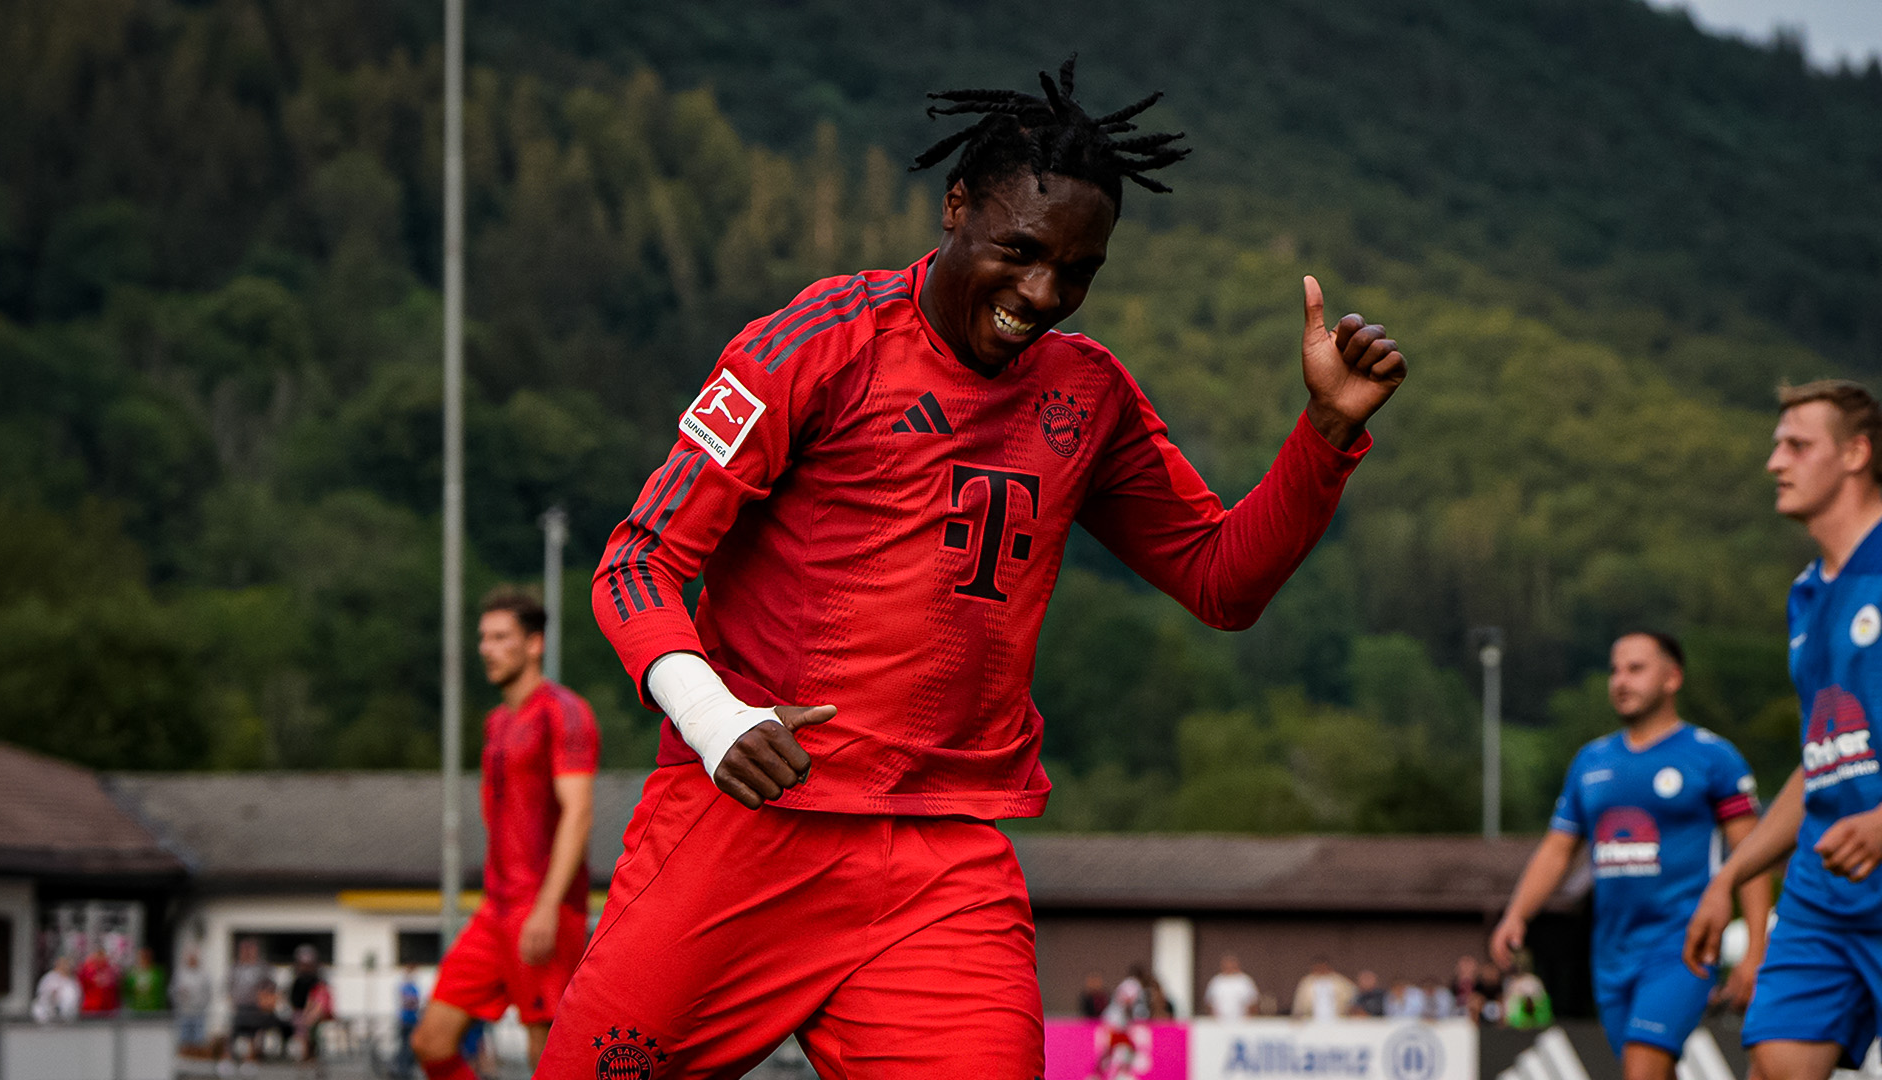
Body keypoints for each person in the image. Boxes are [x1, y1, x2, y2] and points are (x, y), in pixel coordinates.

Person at [538, 55, 1406, 1080]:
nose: (1043, 293)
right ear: (956, 207)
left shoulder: (1089, 396)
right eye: (1022, 251)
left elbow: (1221, 582)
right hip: (749, 825)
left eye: (1078, 273)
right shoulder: (821, 342)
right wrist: (716, 718)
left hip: (941, 868)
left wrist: (1322, 438)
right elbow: (636, 563)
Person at [1686, 381, 1882, 1080]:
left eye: (1797, 444)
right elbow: (1821, 764)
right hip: (1824, 894)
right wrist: (1731, 876)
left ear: (1857, 453)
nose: (1775, 461)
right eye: (1776, 444)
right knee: (1774, 1064)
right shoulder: (1808, 594)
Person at [1490, 631, 1772, 1078]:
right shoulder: (1591, 761)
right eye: (1615, 670)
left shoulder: (1712, 757)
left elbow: (1753, 855)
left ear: (1672, 678)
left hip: (1682, 946)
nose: (1621, 680)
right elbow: (1557, 849)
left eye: (1636, 668)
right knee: (1646, 1070)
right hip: (1611, 953)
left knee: (1643, 1065)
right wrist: (1517, 914)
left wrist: (1756, 949)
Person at [410, 587, 598, 1079]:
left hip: (546, 907)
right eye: (483, 638)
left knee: (546, 1052)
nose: (485, 649)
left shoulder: (564, 711)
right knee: (431, 1042)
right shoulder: (496, 722)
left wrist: (545, 906)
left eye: (500, 638)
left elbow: (577, 813)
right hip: (496, 909)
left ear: (534, 644)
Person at [286, 945, 332, 1073]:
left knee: (310, 1030)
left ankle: (310, 1058)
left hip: (315, 1016)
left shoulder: (318, 982)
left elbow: (319, 1002)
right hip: (300, 1014)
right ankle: (304, 1059)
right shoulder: (297, 980)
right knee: (300, 1030)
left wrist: (310, 1013)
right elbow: (294, 1001)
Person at [1292, 958, 1356, 1021]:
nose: (1321, 970)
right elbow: (1299, 1002)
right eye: (1318, 968)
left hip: (1337, 1020)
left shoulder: (1339, 981)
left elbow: (1352, 996)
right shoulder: (1307, 982)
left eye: (1323, 967)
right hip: (1311, 1021)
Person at [172, 949, 210, 1051]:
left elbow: (208, 993)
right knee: (184, 1040)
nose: (192, 960)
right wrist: (181, 997)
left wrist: (201, 1004)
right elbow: (174, 991)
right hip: (184, 1012)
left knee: (198, 1040)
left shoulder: (203, 974)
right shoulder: (180, 974)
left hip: (199, 1012)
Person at [1205, 954, 1260, 1021]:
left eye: (1231, 964)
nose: (1229, 967)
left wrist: (1249, 1019)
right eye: (1227, 965)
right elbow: (1209, 1003)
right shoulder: (1216, 981)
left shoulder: (1245, 981)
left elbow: (1253, 1002)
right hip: (1219, 1023)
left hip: (1242, 1022)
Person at [32, 955, 80, 1022]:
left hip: (67, 1018)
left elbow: (75, 998)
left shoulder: (71, 981)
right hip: (47, 1016)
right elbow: (42, 995)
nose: (65, 967)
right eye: (62, 965)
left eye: (66, 965)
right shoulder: (49, 978)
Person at [77, 942, 120, 1016]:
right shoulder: (87, 970)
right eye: (98, 955)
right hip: (90, 1008)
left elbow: (115, 989)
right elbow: (81, 987)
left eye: (102, 955)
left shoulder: (111, 970)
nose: (100, 958)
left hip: (108, 1009)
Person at [123, 945, 167, 1013]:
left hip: (154, 1010)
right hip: (136, 1009)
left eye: (146, 956)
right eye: (142, 956)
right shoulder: (132, 974)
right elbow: (127, 991)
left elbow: (162, 991)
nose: (144, 958)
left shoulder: (158, 972)